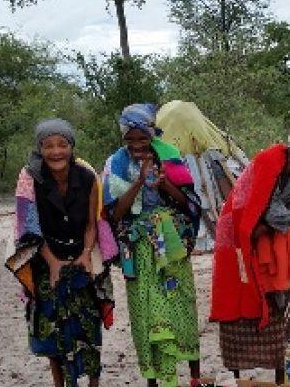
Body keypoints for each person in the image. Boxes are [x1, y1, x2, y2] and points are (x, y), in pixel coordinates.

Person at [209, 127, 290, 384]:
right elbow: (262, 211)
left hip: (265, 236)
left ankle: (277, 374)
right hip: (236, 240)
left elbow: (275, 215)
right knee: (238, 294)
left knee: (275, 300)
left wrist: (278, 220)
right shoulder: (268, 164)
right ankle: (237, 375)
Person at [102, 104, 206, 387]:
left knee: (182, 303)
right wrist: (137, 183)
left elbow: (190, 204)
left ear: (151, 133)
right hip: (138, 250)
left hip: (172, 245)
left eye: (142, 138)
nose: (136, 145)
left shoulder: (170, 156)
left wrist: (164, 185)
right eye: (130, 139)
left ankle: (194, 376)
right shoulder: (115, 164)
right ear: (124, 138)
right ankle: (153, 380)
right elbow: (114, 214)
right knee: (145, 311)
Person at [8, 118, 113, 387]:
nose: (56, 152)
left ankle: (93, 383)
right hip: (44, 257)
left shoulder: (87, 175)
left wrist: (86, 254)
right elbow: (29, 228)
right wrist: (54, 263)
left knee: (89, 328)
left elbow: (92, 223)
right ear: (40, 149)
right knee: (54, 335)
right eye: (48, 146)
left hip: (81, 254)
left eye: (62, 144)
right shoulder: (29, 178)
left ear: (71, 146)